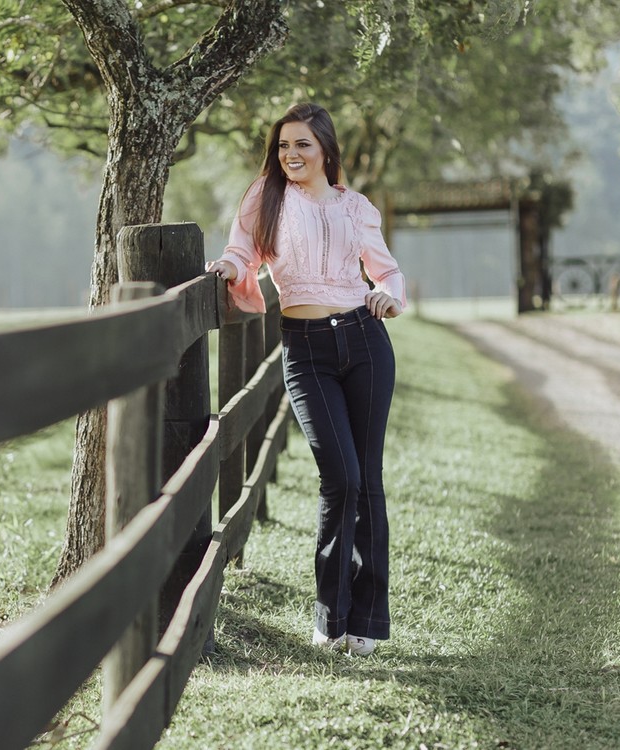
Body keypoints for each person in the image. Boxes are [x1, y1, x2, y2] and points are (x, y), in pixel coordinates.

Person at [205, 102, 405, 656]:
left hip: (365, 341)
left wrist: (391, 294)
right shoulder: (264, 198)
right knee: (339, 476)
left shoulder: (355, 207)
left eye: (303, 146)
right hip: (306, 348)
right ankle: (329, 616)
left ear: (326, 151)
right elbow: (241, 250)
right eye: (283, 146)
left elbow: (385, 269)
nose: (291, 155)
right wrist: (228, 267)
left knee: (367, 480)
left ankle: (365, 622)